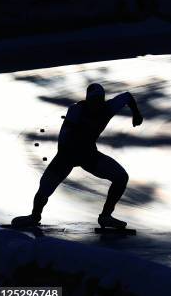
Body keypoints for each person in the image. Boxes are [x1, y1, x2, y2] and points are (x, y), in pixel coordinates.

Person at [12, 83, 143, 229]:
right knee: (45, 186)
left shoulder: (108, 108)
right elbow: (63, 137)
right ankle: (35, 216)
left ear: (103, 99)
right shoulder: (76, 110)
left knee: (121, 177)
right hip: (67, 154)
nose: (97, 104)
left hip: (88, 154)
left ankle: (106, 216)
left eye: (99, 100)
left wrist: (136, 113)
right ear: (88, 100)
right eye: (94, 101)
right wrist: (62, 159)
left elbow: (127, 96)